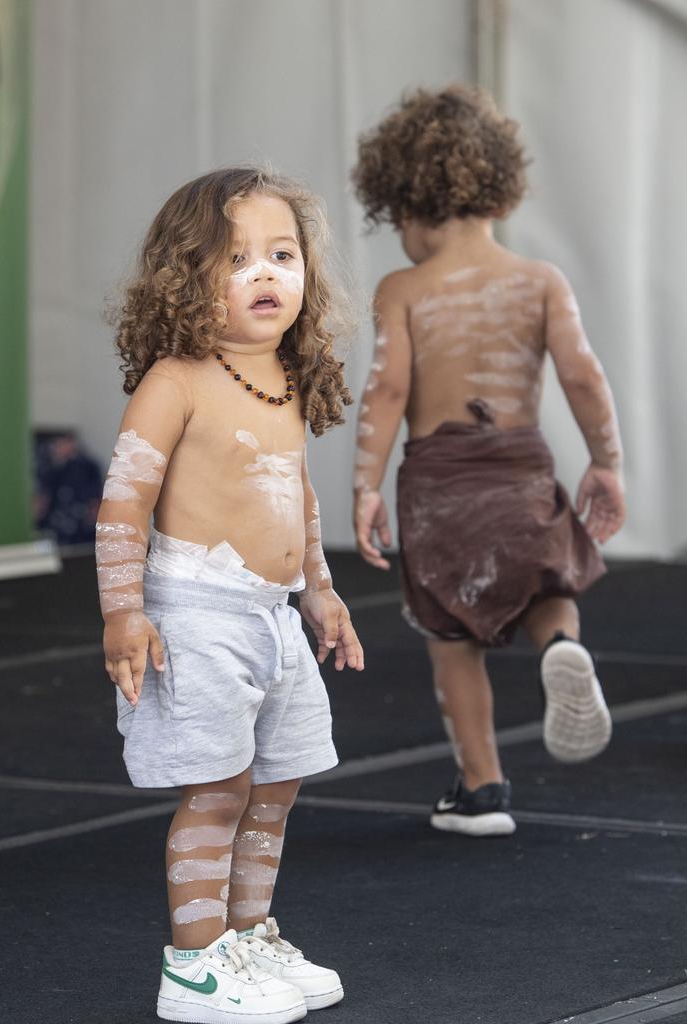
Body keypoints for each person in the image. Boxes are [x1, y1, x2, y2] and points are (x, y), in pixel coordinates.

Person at [96, 168, 363, 1022]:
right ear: (185, 275)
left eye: (282, 255)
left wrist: (320, 589)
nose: (267, 274)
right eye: (237, 257)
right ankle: (194, 964)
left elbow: (298, 495)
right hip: (199, 616)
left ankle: (245, 939)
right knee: (217, 790)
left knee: (274, 788)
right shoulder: (176, 381)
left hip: (272, 618)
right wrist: (122, 612)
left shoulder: (283, 377)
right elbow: (123, 501)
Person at [350, 86, 625, 838]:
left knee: (452, 639)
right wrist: (607, 462)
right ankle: (562, 646)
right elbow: (582, 377)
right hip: (519, 463)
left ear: (404, 203)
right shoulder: (540, 281)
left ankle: (482, 790)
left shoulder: (404, 288)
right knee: (547, 578)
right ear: (497, 188)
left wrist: (364, 487)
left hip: (441, 479)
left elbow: (388, 389)